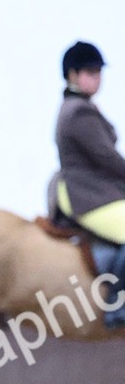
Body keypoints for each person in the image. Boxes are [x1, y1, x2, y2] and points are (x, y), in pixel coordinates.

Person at [55, 41, 125, 327]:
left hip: (97, 190)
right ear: (72, 74)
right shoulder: (78, 111)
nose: (96, 77)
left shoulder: (80, 106)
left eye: (98, 71)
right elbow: (107, 157)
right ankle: (116, 305)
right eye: (90, 71)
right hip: (90, 194)